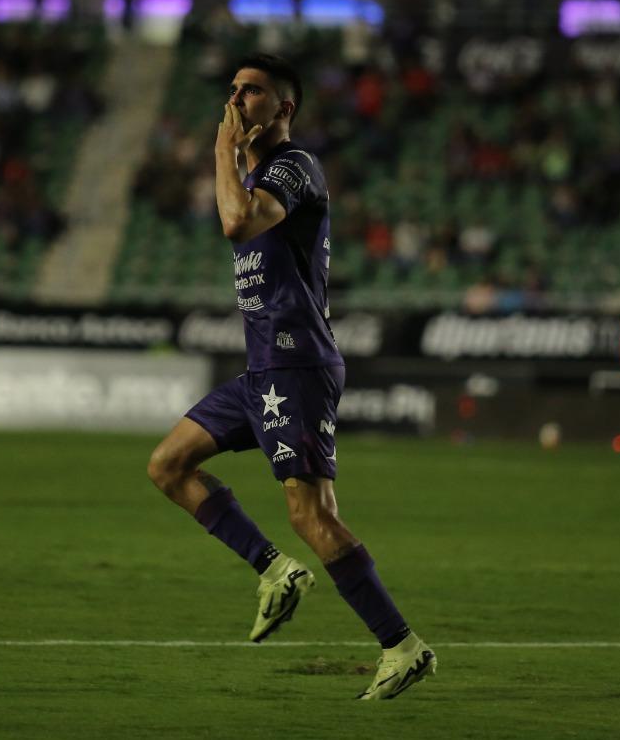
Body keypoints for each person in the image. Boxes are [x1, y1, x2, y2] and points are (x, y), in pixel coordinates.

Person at [146, 53, 436, 700]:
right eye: (235, 91)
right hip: (261, 369)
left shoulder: (293, 168)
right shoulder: (255, 176)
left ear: (285, 108)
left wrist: (223, 151)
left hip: (296, 361)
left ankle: (401, 645)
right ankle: (275, 571)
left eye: (254, 92)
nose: (239, 100)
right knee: (168, 465)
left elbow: (234, 222)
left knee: (311, 513)